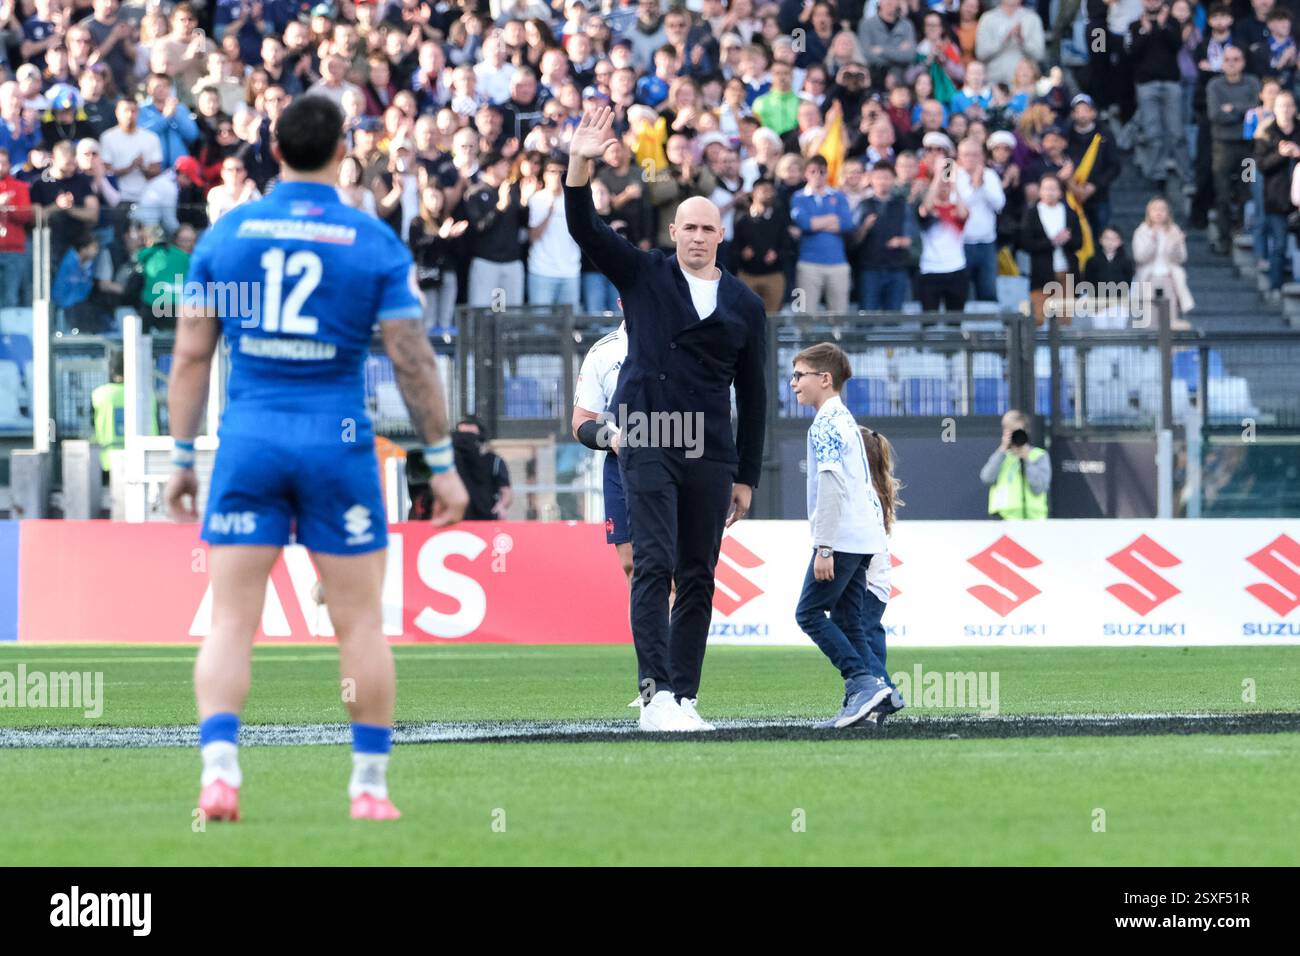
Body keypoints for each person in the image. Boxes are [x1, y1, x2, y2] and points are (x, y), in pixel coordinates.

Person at [163, 95, 468, 824]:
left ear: (273, 147)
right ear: (344, 149)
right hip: (335, 442)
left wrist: (180, 455)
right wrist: (441, 458)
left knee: (232, 621)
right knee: (360, 624)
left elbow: (190, 355)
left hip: (251, 439)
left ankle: (220, 773)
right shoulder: (370, 241)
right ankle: (368, 789)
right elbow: (412, 360)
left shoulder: (227, 235)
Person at [565, 105, 767, 733]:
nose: (699, 237)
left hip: (711, 450)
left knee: (699, 574)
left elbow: (755, 395)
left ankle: (684, 696)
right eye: (689, 228)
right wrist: (580, 162)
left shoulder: (744, 304)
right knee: (653, 564)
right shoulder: (645, 272)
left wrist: (746, 476)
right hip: (647, 436)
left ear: (720, 235)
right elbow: (585, 229)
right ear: (674, 232)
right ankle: (653, 695)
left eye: (709, 228)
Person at [789, 342, 893, 728]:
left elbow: (831, 486)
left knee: (809, 613)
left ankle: (863, 683)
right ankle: (876, 694)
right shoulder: (845, 420)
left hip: (844, 539)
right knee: (850, 621)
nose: (794, 383)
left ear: (825, 378)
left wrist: (825, 547)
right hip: (865, 539)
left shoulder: (827, 424)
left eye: (800, 375)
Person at [790, 154, 854, 313]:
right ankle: (804, 340)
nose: (817, 176)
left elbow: (847, 223)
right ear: (806, 174)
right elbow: (804, 223)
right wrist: (831, 219)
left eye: (822, 172)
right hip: (808, 263)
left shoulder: (838, 196)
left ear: (827, 173)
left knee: (839, 314)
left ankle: (837, 339)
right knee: (805, 313)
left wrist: (815, 223)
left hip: (838, 262)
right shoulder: (798, 197)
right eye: (813, 171)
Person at [1020, 173, 1083, 325]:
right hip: (1041, 273)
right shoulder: (1031, 213)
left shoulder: (1070, 213)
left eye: (1053, 188)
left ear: (1060, 192)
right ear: (1040, 191)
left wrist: (1066, 240)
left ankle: (1064, 349)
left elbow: (1079, 242)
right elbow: (1026, 243)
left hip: (1066, 271)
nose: (1050, 192)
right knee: (1037, 317)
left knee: (1065, 318)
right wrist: (1052, 242)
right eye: (1046, 188)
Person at [91, 349, 158, 479]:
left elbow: (92, 425)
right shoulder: (147, 395)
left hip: (108, 462)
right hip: (143, 461)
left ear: (111, 369)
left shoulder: (99, 395)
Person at [1132, 196, 1195, 327]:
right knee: (1150, 318)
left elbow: (1181, 258)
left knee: (1169, 317)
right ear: (1149, 212)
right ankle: (1151, 346)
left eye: (1162, 209)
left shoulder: (1174, 230)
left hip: (1169, 278)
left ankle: (1168, 346)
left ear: (1168, 212)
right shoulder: (1141, 231)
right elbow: (1140, 257)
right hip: (1148, 278)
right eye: (1155, 209)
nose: (1159, 212)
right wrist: (1152, 241)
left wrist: (1176, 244)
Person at [980, 409, 1050, 520]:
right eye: (1011, 432)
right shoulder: (1001, 456)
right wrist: (1002, 449)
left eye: (1018, 432)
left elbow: (1039, 487)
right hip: (1003, 519)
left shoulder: (1038, 455)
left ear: (1026, 432)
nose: (1015, 436)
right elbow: (987, 478)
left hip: (1034, 521)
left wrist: (1026, 458)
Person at [451, 416, 513, 520]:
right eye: (461, 435)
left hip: (486, 519)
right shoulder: (449, 462)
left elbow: (506, 491)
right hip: (456, 519)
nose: (465, 440)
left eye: (470, 435)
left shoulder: (495, 461)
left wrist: (501, 506)